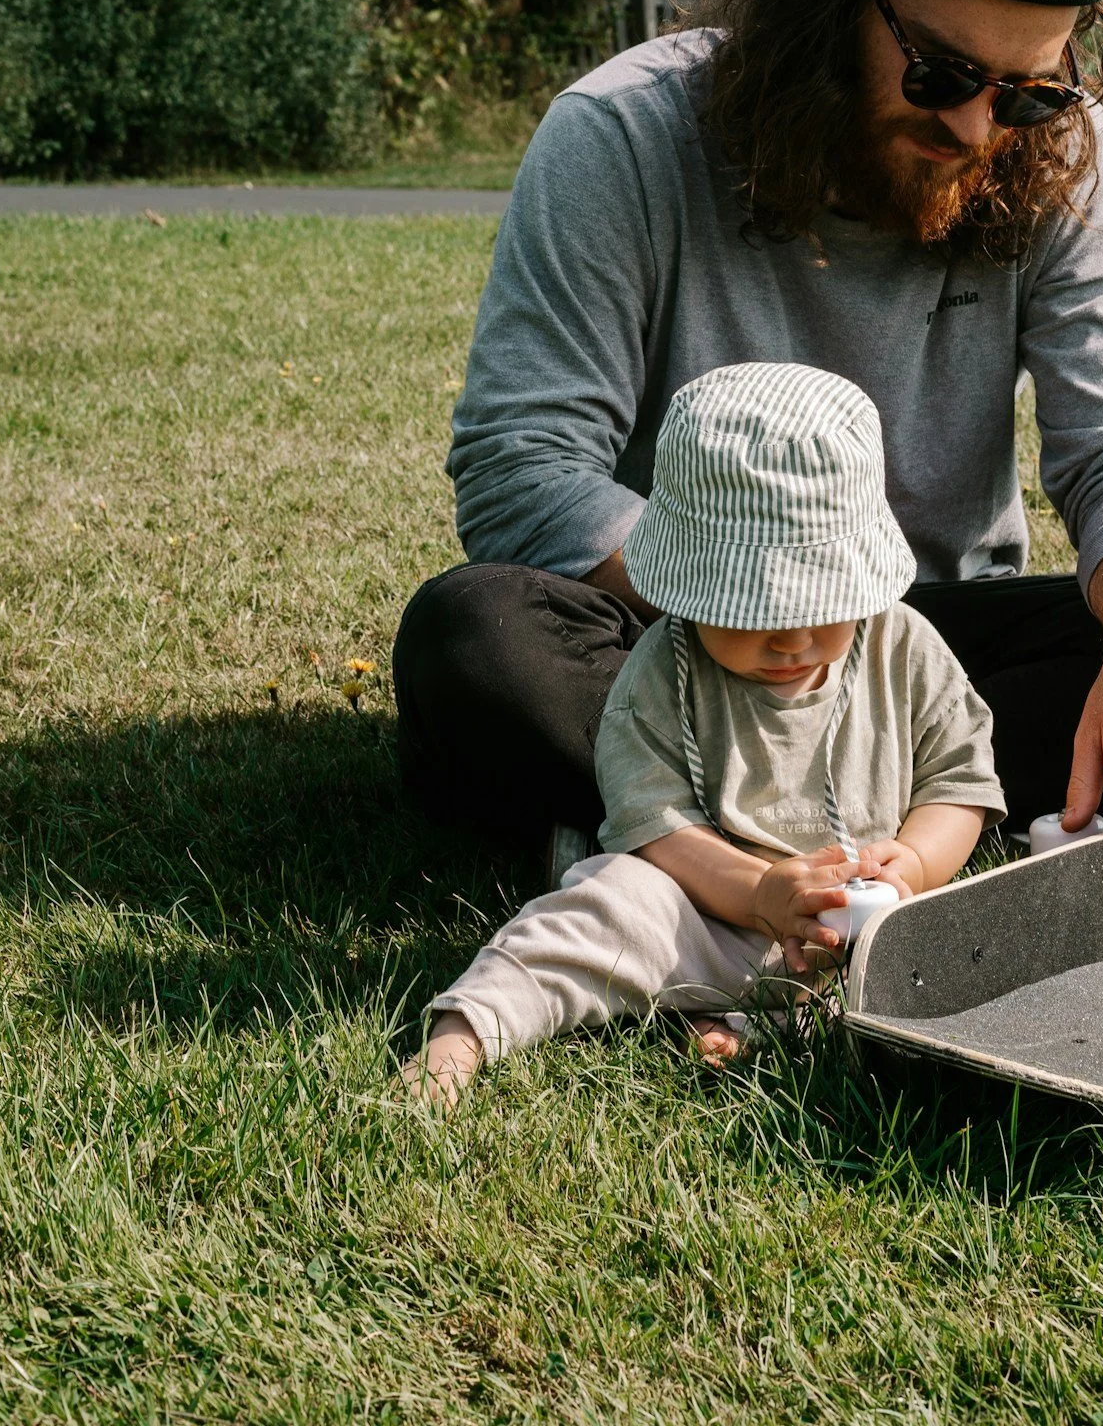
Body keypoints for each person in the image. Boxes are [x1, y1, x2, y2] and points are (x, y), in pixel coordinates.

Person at [395, 0, 1103, 929]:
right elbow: (522, 464)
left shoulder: (1071, 158)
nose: (979, 128)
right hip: (686, 644)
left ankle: (676, 835)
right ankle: (885, 829)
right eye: (938, 73)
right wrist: (758, 606)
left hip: (920, 659)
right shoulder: (623, 134)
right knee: (476, 639)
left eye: (1027, 91)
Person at [405, 362, 1004, 1103]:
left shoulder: (903, 647)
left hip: (862, 922)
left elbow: (959, 782)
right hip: (708, 907)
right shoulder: (664, 672)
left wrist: (910, 866)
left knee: (952, 950)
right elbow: (657, 826)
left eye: (823, 605)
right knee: (609, 903)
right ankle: (466, 1031)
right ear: (692, 588)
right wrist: (759, 893)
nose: (792, 641)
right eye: (752, 611)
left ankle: (762, 1019)